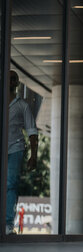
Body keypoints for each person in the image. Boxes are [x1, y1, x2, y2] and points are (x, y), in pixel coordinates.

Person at [5, 70, 38, 235]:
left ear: (16, 84)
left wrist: (34, 155)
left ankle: (7, 224)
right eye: (8, 79)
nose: (10, 82)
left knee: (11, 185)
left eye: (13, 80)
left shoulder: (22, 105)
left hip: (16, 148)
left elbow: (32, 131)